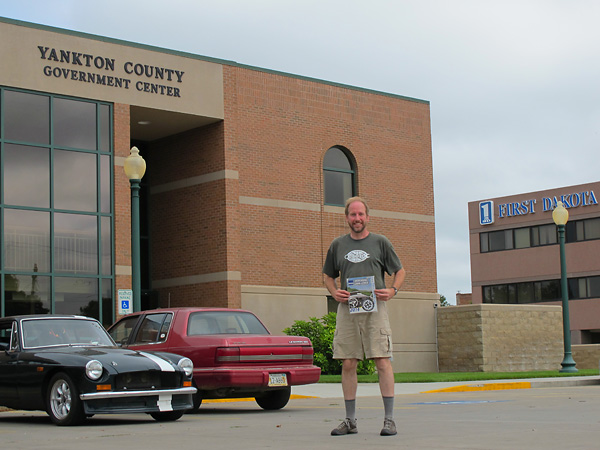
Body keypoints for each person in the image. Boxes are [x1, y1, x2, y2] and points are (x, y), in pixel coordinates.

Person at [323, 196, 406, 437]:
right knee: (348, 362)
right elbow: (328, 275)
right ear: (346, 217)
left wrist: (392, 290)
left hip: (375, 309)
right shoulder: (338, 245)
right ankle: (350, 421)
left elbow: (399, 271)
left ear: (367, 217)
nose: (357, 219)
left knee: (382, 360)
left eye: (361, 215)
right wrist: (333, 291)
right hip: (348, 309)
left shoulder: (380, 242)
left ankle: (389, 420)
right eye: (353, 215)